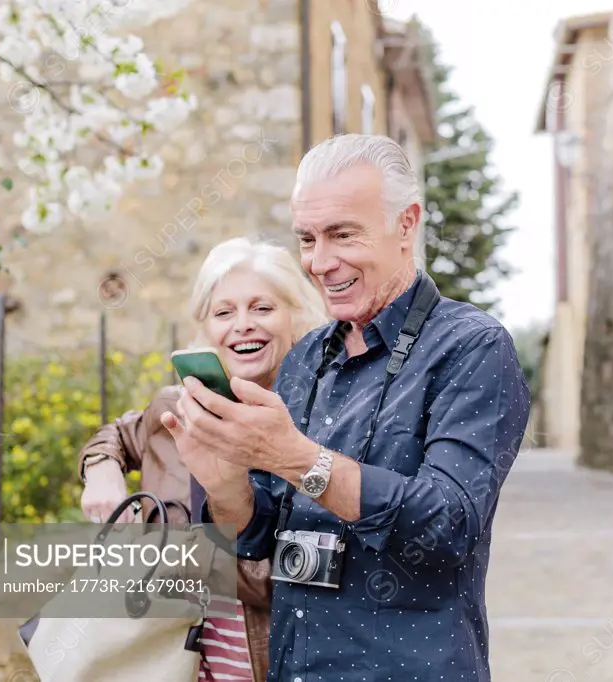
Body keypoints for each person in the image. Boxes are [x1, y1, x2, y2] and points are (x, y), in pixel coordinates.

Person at [161, 134, 532, 682]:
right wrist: (225, 484)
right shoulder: (306, 355)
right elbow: (258, 534)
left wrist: (297, 460)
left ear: (407, 224)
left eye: (342, 235)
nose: (320, 262)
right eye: (307, 239)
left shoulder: (471, 347)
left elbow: (449, 525)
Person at [76, 235, 329, 682]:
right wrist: (101, 472)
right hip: (166, 661)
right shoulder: (179, 408)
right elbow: (116, 435)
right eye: (224, 312)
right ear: (206, 327)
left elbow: (302, 580)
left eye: (263, 308)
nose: (243, 325)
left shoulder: (323, 426)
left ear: (297, 317)